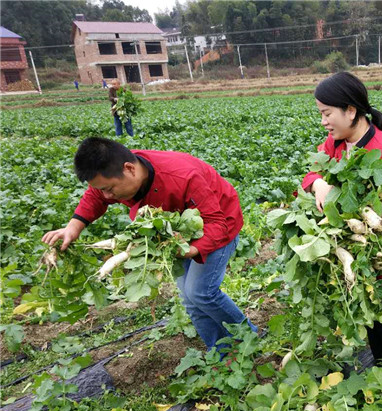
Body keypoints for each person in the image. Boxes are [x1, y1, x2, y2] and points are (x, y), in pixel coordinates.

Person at [41, 137, 257, 351]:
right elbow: (95, 197)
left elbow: (216, 223)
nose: (107, 195)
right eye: (102, 190)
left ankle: (249, 337)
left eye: (109, 189)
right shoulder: (117, 172)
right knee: (190, 300)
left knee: (201, 293)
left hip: (219, 224)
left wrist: (191, 250)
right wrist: (73, 227)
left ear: (129, 169)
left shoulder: (184, 177)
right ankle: (220, 351)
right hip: (178, 232)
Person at [302, 72, 382, 370]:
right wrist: (318, 185)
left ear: (351, 111)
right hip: (355, 255)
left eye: (327, 114)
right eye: (321, 114)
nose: (324, 122)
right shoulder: (335, 143)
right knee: (369, 319)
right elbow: (310, 173)